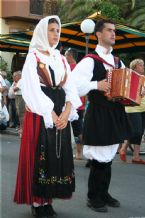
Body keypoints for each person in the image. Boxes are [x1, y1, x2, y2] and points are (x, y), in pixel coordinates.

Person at [13, 15, 81, 218]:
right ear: (43, 31)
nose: (56, 34)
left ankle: (48, 199)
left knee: (56, 156)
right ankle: (37, 201)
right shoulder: (33, 56)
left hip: (60, 110)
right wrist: (50, 112)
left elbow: (70, 88)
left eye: (58, 30)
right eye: (52, 29)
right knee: (40, 155)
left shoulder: (60, 58)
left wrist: (67, 112)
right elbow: (31, 88)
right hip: (40, 113)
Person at [70, 19, 131, 213]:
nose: (113, 34)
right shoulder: (90, 60)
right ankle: (93, 196)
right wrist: (96, 84)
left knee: (109, 155)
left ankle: (103, 193)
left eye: (114, 31)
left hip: (115, 112)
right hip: (98, 112)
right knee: (99, 157)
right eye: (109, 30)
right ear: (98, 34)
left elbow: (125, 85)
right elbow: (73, 86)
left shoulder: (117, 61)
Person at [119, 59, 145, 164]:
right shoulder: (128, 77)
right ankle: (123, 148)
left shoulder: (143, 78)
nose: (143, 66)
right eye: (141, 65)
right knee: (136, 131)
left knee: (140, 132)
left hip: (143, 108)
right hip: (132, 107)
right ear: (135, 67)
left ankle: (136, 157)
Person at [65, 48, 86, 159]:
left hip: (72, 104)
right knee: (78, 128)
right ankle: (80, 150)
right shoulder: (80, 68)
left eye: (65, 55)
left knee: (77, 129)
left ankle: (80, 152)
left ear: (69, 56)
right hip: (80, 103)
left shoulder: (69, 69)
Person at [13, 71, 25, 138]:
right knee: (20, 114)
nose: (14, 77)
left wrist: (14, 86)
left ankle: (22, 129)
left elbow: (15, 89)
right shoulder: (19, 81)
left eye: (15, 76)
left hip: (20, 97)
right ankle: (21, 128)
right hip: (18, 97)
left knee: (21, 114)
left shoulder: (21, 80)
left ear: (19, 76)